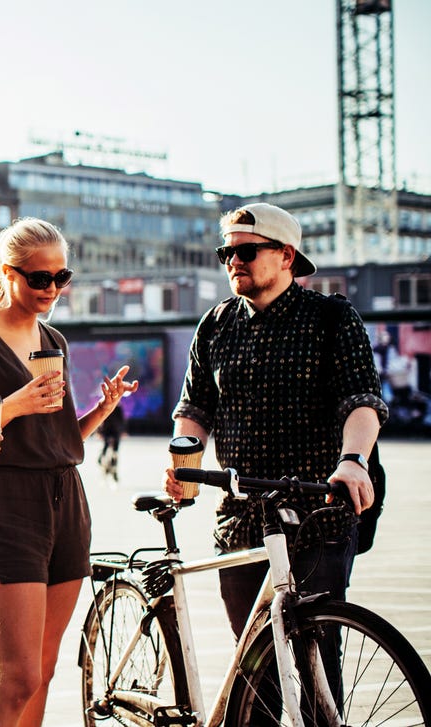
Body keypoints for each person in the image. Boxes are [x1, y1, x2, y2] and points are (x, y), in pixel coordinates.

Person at [0, 218, 137, 727]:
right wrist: (15, 404)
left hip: (67, 497)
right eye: (39, 278)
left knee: (45, 672)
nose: (52, 289)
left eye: (60, 278)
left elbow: (60, 441)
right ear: (9, 273)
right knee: (19, 675)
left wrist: (101, 411)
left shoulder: (55, 341)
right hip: (7, 501)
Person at [165, 202, 387, 639]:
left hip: (315, 515)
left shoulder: (331, 318)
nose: (233, 262)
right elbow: (194, 410)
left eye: (246, 253)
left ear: (286, 257)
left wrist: (353, 460)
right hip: (240, 519)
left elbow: (362, 401)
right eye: (225, 254)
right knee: (253, 666)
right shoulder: (216, 325)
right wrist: (182, 462)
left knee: (317, 655)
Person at [97, 401, 126, 482]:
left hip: (115, 431)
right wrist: (99, 431)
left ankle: (113, 467)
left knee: (115, 451)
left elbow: (122, 420)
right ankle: (102, 460)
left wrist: (123, 431)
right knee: (105, 447)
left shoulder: (118, 408)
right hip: (107, 431)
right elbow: (100, 419)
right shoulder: (106, 406)